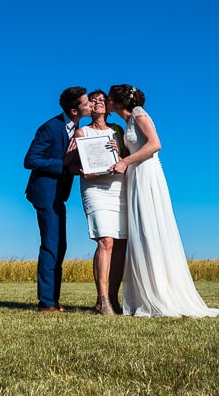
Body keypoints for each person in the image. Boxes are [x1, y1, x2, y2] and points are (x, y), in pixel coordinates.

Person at [106, 84, 219, 318]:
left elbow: (154, 144)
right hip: (135, 177)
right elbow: (137, 148)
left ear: (119, 102)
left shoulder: (139, 113)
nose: (107, 102)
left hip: (147, 176)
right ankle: (146, 295)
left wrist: (126, 162)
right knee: (140, 232)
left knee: (150, 229)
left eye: (110, 98)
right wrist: (120, 154)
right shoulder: (127, 123)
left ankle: (162, 293)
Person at [24, 86, 94, 313]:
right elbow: (30, 160)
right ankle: (46, 303)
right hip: (45, 194)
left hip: (58, 195)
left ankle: (53, 300)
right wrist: (62, 164)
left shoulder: (76, 127)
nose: (91, 105)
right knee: (51, 246)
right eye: (86, 103)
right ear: (75, 110)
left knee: (59, 246)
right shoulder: (50, 127)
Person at [75, 89, 128, 316]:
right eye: (93, 100)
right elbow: (72, 163)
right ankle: (102, 299)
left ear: (108, 106)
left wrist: (121, 154)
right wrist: (81, 170)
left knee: (120, 243)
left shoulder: (117, 130)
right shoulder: (81, 132)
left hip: (118, 188)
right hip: (95, 188)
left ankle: (114, 298)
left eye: (102, 99)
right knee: (105, 240)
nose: (97, 102)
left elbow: (127, 158)